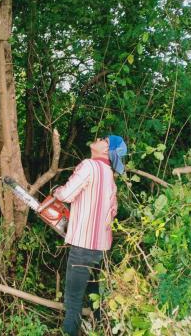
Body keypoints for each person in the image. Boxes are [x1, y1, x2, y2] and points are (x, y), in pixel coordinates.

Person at [52, 135, 127, 336]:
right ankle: (104, 331)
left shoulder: (89, 166)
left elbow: (67, 195)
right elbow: (112, 211)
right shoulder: (111, 177)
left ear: (106, 151)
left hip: (83, 247)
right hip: (101, 250)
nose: (98, 139)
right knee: (95, 297)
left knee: (73, 300)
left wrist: (56, 191)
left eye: (104, 140)